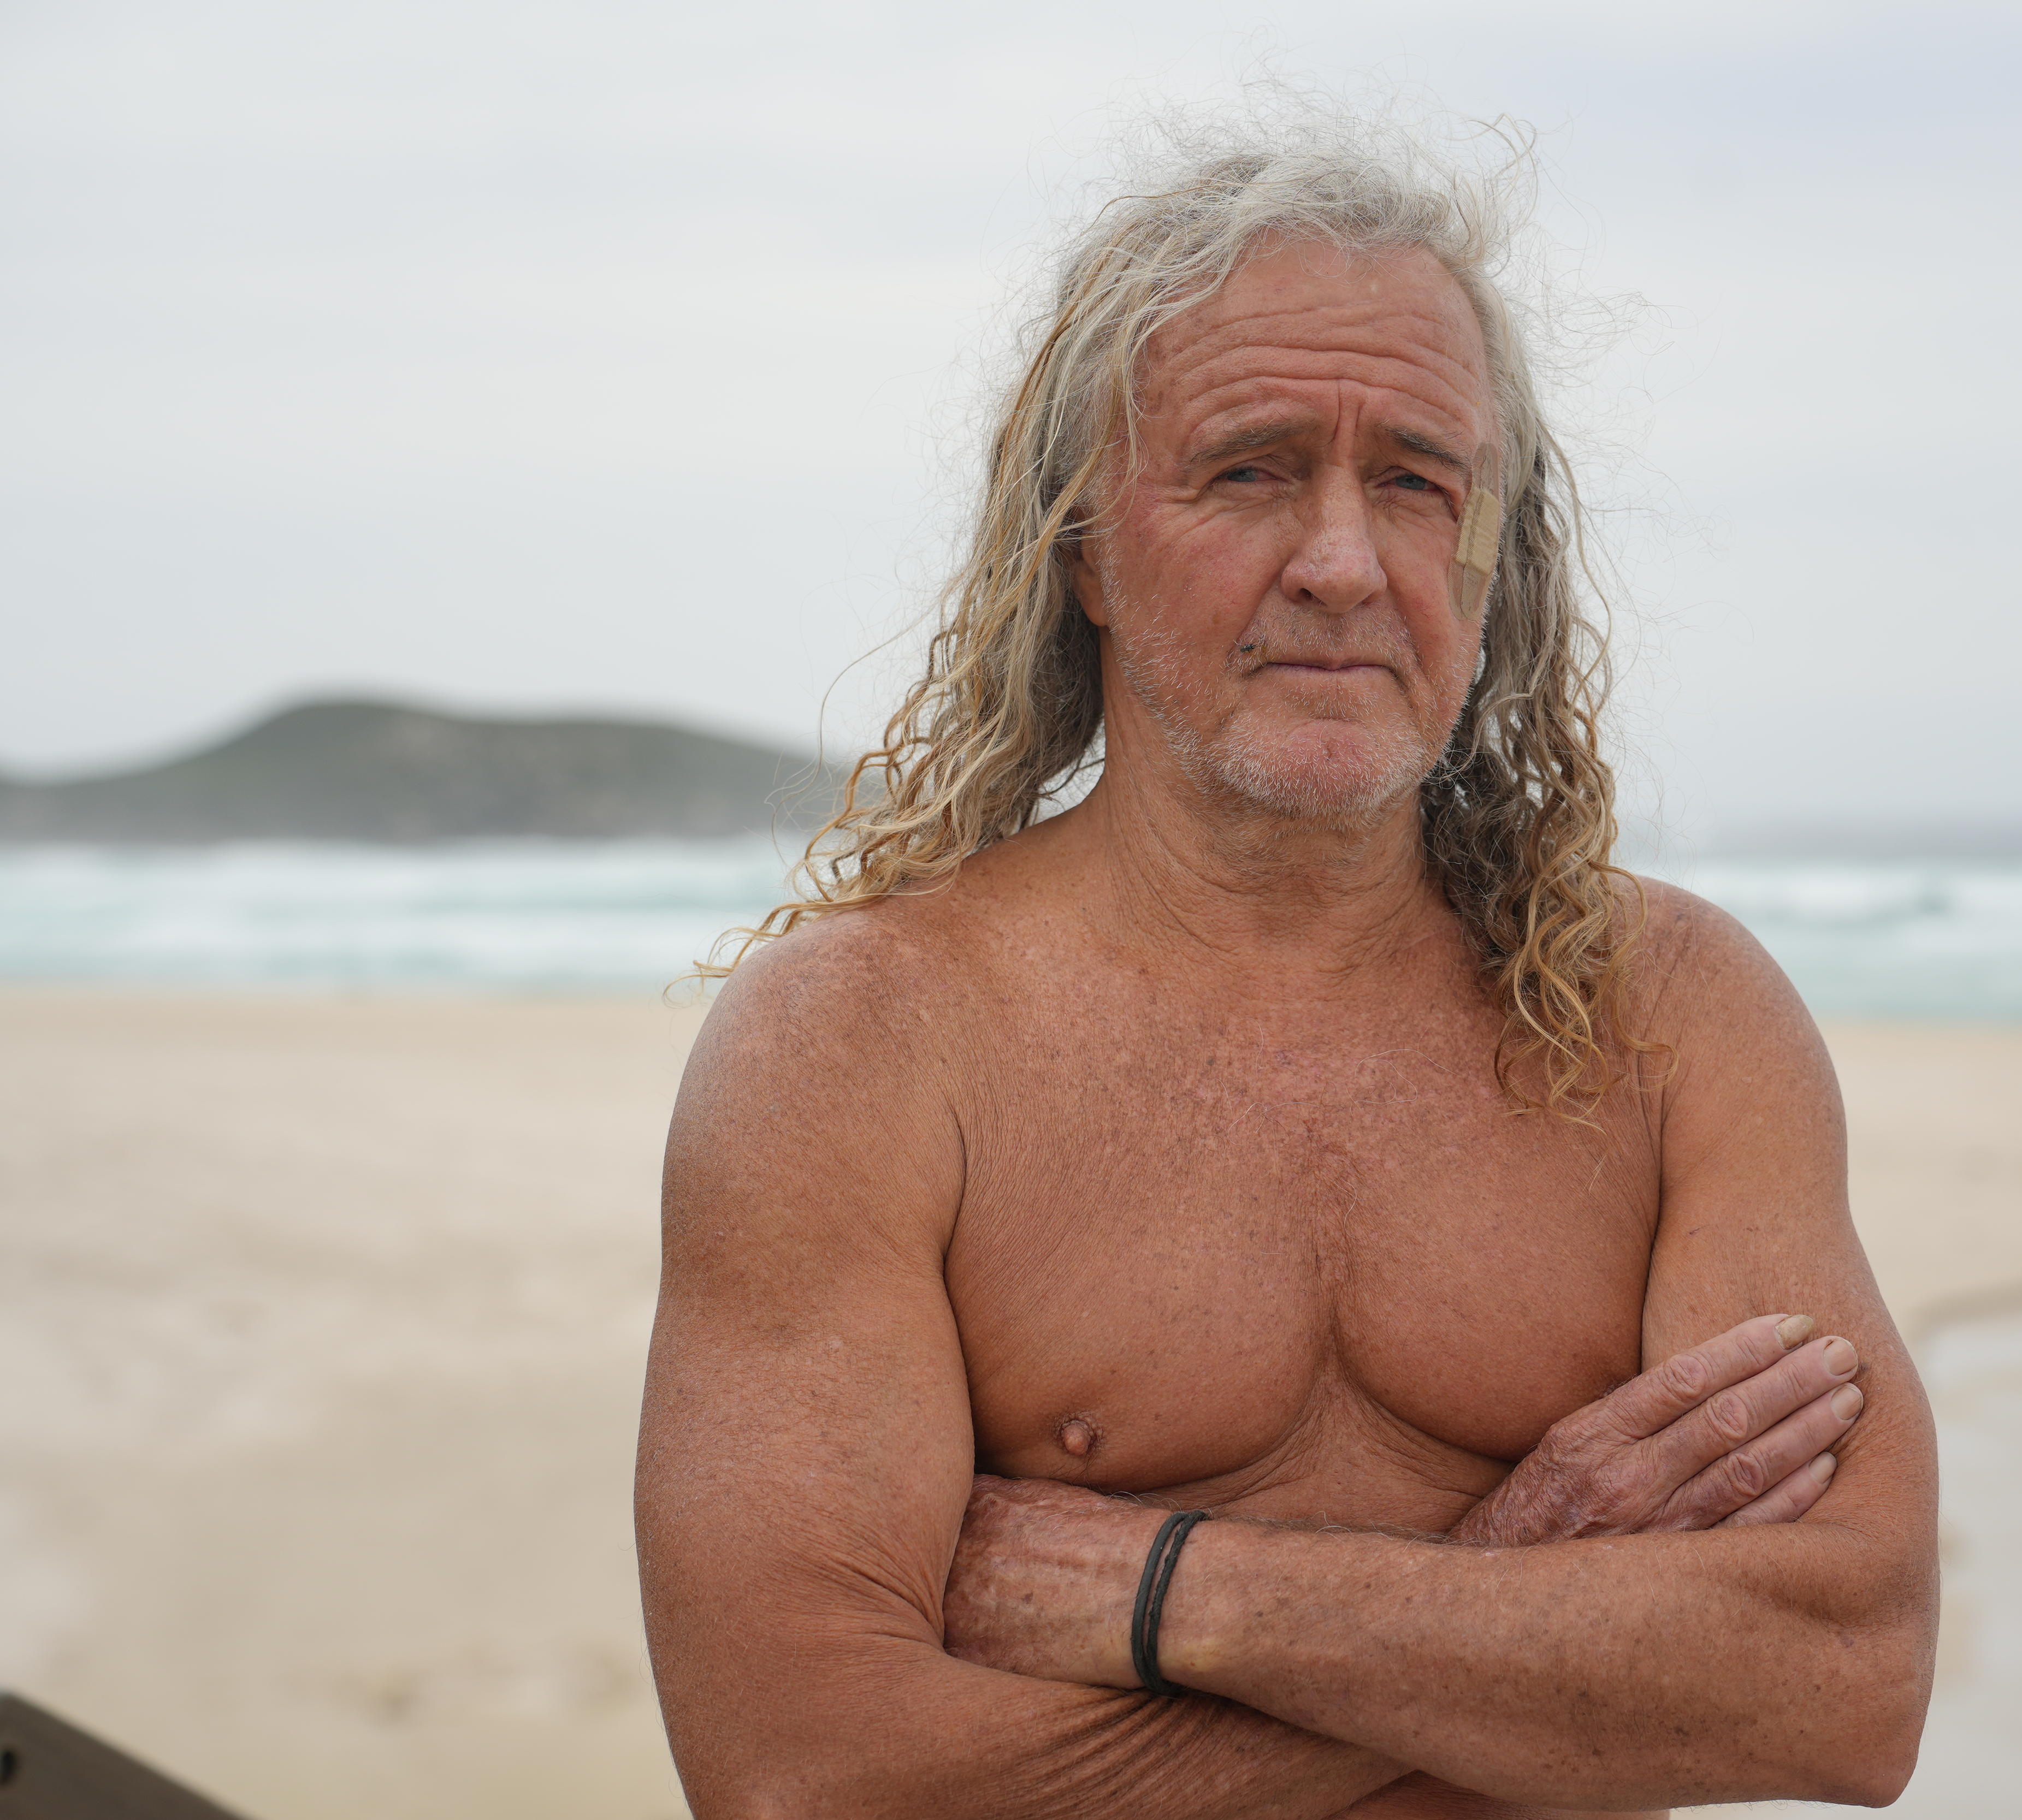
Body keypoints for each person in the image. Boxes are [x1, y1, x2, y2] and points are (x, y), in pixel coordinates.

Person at [637, 117, 1938, 1819]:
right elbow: (806, 1779)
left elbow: (1848, 1683)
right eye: (1249, 471)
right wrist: (1536, 1599)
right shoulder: (869, 1044)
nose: (1340, 563)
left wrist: (1184, 1596)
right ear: (1083, 549)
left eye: (1415, 481)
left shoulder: (1666, 1014)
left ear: (1491, 560)